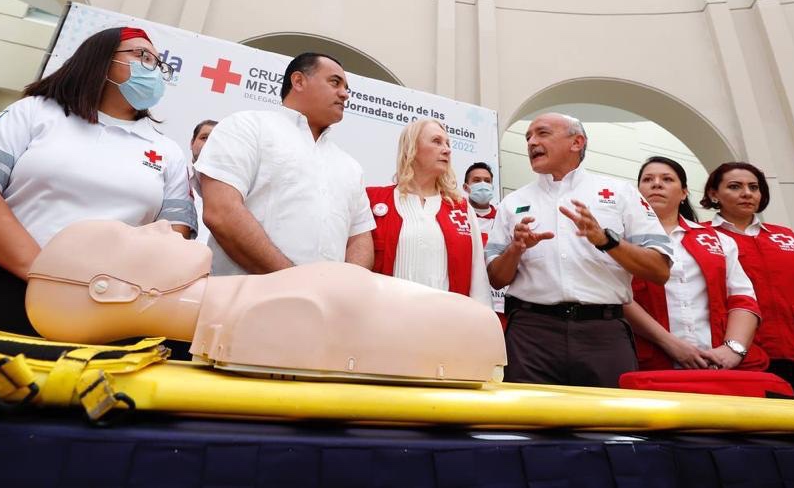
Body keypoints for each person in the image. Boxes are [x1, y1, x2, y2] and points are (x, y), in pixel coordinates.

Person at [0, 27, 196, 334]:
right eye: (141, 56)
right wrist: (45, 274)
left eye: (157, 63)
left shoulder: (167, 150)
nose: (153, 69)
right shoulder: (34, 112)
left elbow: (174, 233)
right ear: (99, 58)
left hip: (104, 307)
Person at [26, 219, 507, 384]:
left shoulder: (263, 303)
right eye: (131, 235)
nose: (155, 226)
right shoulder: (266, 316)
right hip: (465, 335)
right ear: (110, 289)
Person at [486, 113, 673, 387]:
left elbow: (659, 270)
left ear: (576, 142)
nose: (531, 142)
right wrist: (516, 249)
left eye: (542, 133)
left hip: (604, 335)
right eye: (528, 137)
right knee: (528, 414)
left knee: (612, 414)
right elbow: (496, 278)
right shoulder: (512, 202)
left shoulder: (619, 193)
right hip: (531, 337)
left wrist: (606, 241)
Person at [195, 52, 375, 275]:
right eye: (335, 82)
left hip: (326, 298)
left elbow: (359, 237)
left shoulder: (350, 167)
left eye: (346, 88)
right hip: (245, 294)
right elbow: (221, 213)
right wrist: (292, 281)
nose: (344, 94)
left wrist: (344, 288)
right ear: (298, 81)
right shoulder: (246, 127)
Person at [626, 156, 766, 372]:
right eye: (648, 179)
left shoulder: (719, 240)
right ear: (638, 193)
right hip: (648, 363)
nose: (657, 184)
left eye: (667, 179)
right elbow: (618, 297)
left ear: (684, 193)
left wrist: (732, 350)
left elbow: (743, 298)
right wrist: (671, 344)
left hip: (718, 363)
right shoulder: (620, 240)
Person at [701, 161, 794, 398]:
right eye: (735, 186)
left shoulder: (786, 236)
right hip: (743, 354)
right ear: (713, 194)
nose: (747, 193)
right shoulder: (700, 236)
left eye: (754, 187)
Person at [366, 119, 492, 308]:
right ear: (412, 148)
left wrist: (481, 319)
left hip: (446, 320)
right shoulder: (373, 200)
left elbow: (478, 278)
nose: (447, 150)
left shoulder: (461, 208)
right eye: (436, 141)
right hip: (387, 318)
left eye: (448, 143)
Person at [463, 161, 505, 316]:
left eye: (487, 181)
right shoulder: (457, 217)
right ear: (466, 187)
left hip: (500, 304)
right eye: (476, 180)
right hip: (466, 300)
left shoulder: (504, 218)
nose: (483, 185)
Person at [189, 119, 217, 245]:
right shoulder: (174, 181)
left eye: (216, 140)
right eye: (204, 137)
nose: (209, 143)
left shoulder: (239, 192)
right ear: (192, 143)